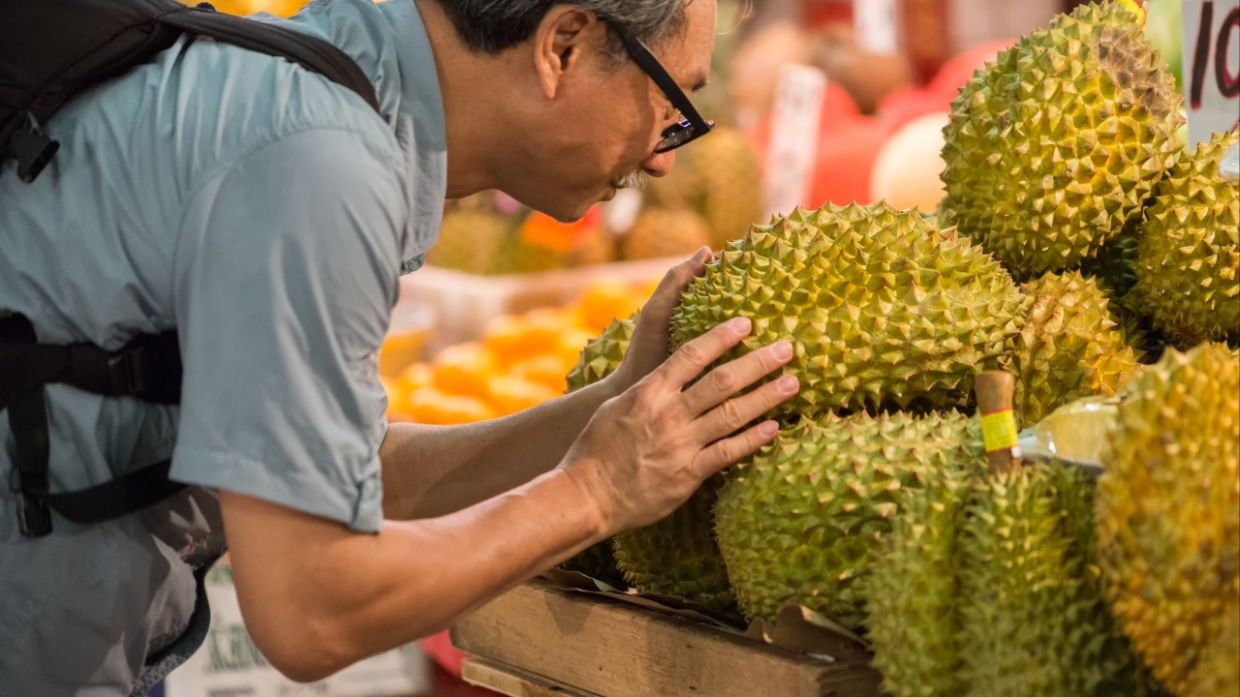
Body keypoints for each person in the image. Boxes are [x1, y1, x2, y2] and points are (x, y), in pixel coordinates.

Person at [0, 0, 800, 694]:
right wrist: (596, 491)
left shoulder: (327, 85)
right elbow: (312, 606)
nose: (665, 156)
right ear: (563, 45)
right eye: (672, 105)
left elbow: (344, 475)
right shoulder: (320, 160)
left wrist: (611, 408)